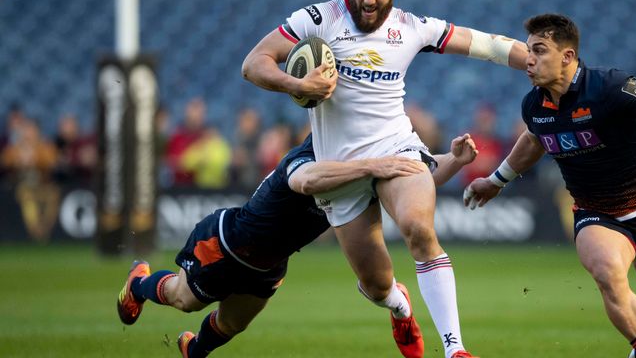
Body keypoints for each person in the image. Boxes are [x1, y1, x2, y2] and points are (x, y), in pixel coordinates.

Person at [241, 0, 528, 358]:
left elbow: (486, 44)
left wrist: (542, 65)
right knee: (377, 285)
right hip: (340, 167)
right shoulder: (319, 19)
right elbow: (255, 63)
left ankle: (455, 349)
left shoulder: (412, 27)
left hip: (398, 149)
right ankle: (398, 305)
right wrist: (298, 85)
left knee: (418, 228)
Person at [463, 14, 636, 358]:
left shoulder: (610, 86)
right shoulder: (534, 104)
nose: (529, 59)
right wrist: (496, 180)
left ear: (567, 56)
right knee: (608, 273)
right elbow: (534, 141)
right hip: (595, 213)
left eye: (540, 50)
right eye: (528, 50)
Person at [117, 133, 478, 358]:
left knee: (229, 326)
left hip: (270, 266)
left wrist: (456, 162)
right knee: (185, 300)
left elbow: (410, 177)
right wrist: (374, 166)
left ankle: (192, 350)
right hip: (228, 245)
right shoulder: (307, 157)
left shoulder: (365, 162)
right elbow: (308, 183)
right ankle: (139, 283)